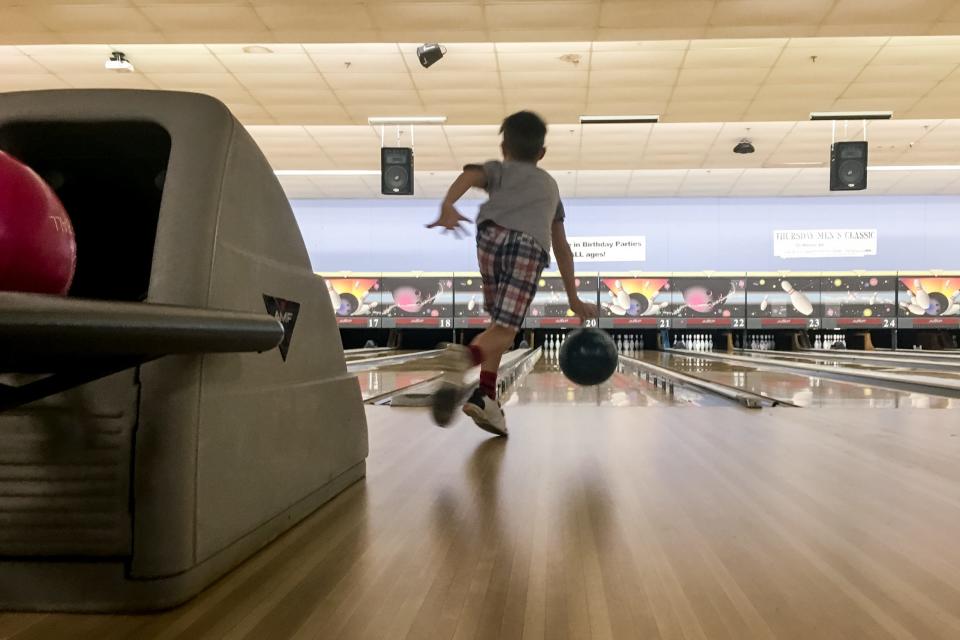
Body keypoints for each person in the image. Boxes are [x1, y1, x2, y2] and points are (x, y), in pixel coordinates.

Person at [426, 110, 598, 436]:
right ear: (542, 153)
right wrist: (573, 299)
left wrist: (447, 205)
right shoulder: (550, 185)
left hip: (488, 240)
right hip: (528, 246)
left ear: (504, 147)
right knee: (506, 331)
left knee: (497, 326)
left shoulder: (498, 170)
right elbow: (562, 248)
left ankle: (486, 396)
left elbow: (470, 176)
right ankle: (465, 358)